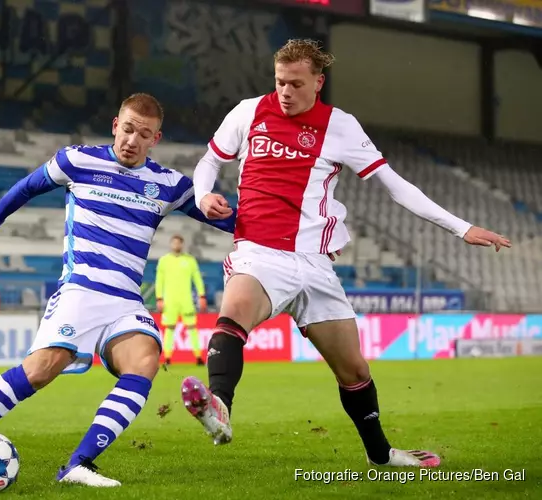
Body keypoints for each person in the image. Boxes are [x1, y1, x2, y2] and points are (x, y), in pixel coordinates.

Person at [180, 39, 511, 468]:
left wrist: (461, 227)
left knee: (354, 372)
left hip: (317, 265)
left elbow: (395, 186)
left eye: (296, 84)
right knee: (235, 311)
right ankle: (219, 410)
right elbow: (209, 161)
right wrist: (204, 195)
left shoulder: (341, 126)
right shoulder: (248, 112)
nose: (285, 92)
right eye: (279, 82)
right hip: (260, 251)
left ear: (319, 82)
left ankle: (381, 455)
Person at [0, 93, 235, 489]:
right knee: (40, 370)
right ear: (114, 125)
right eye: (127, 129)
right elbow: (30, 185)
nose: (132, 140)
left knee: (144, 361)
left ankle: (79, 464)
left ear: (155, 139)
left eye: (143, 134)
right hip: (80, 291)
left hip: (124, 300)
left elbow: (227, 220)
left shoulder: (169, 185)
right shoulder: (78, 160)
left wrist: (292, 233)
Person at [155, 234, 208, 368]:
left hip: (186, 300)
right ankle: (167, 357)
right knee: (169, 329)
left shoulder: (190, 260)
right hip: (170, 301)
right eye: (174, 243)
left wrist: (202, 295)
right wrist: (159, 298)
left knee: (192, 328)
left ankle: (198, 357)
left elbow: (197, 279)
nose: (176, 245)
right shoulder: (164, 261)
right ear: (171, 244)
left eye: (178, 243)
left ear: (182, 245)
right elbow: (159, 281)